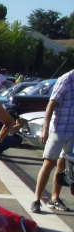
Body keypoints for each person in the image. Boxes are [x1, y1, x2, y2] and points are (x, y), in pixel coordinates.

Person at [31, 68, 74, 212]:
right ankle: (36, 199)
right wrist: (45, 129)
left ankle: (55, 198)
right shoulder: (66, 79)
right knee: (49, 162)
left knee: (63, 164)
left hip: (72, 132)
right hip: (59, 129)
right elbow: (51, 104)